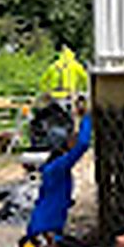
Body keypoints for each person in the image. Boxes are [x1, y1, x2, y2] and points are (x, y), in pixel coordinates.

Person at [26, 99, 92, 237]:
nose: (75, 137)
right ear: (62, 143)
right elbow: (83, 144)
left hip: (43, 227)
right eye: (71, 136)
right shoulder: (58, 167)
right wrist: (86, 117)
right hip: (45, 230)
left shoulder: (52, 166)